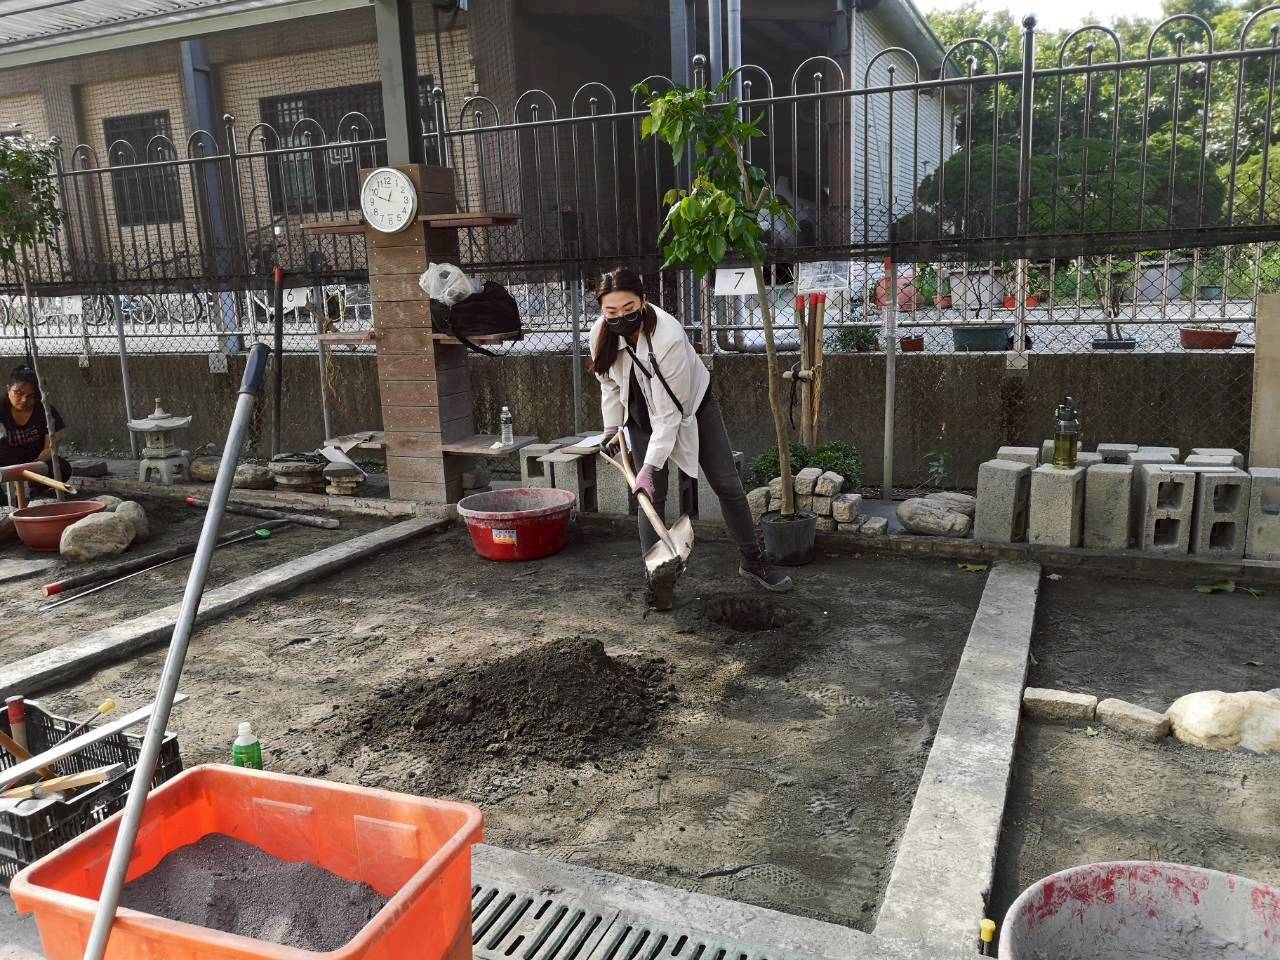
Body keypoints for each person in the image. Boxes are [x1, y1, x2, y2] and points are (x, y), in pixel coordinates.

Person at [589, 267, 791, 602]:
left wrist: (649, 466)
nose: (620, 318)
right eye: (611, 312)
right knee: (650, 497)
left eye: (628, 309)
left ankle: (753, 560)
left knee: (726, 483)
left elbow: (670, 415)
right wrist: (612, 427)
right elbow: (608, 384)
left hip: (691, 409)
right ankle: (657, 577)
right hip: (640, 413)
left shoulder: (667, 336)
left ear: (643, 301)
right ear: (602, 310)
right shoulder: (601, 332)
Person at [0, 366, 72, 493]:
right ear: (8, 389)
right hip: (6, 457)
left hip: (35, 458)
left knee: (62, 468)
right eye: (18, 393)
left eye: (30, 396)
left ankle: (34, 492)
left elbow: (50, 448)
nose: (24, 400)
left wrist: (36, 464)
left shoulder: (45, 411)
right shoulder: (2, 406)